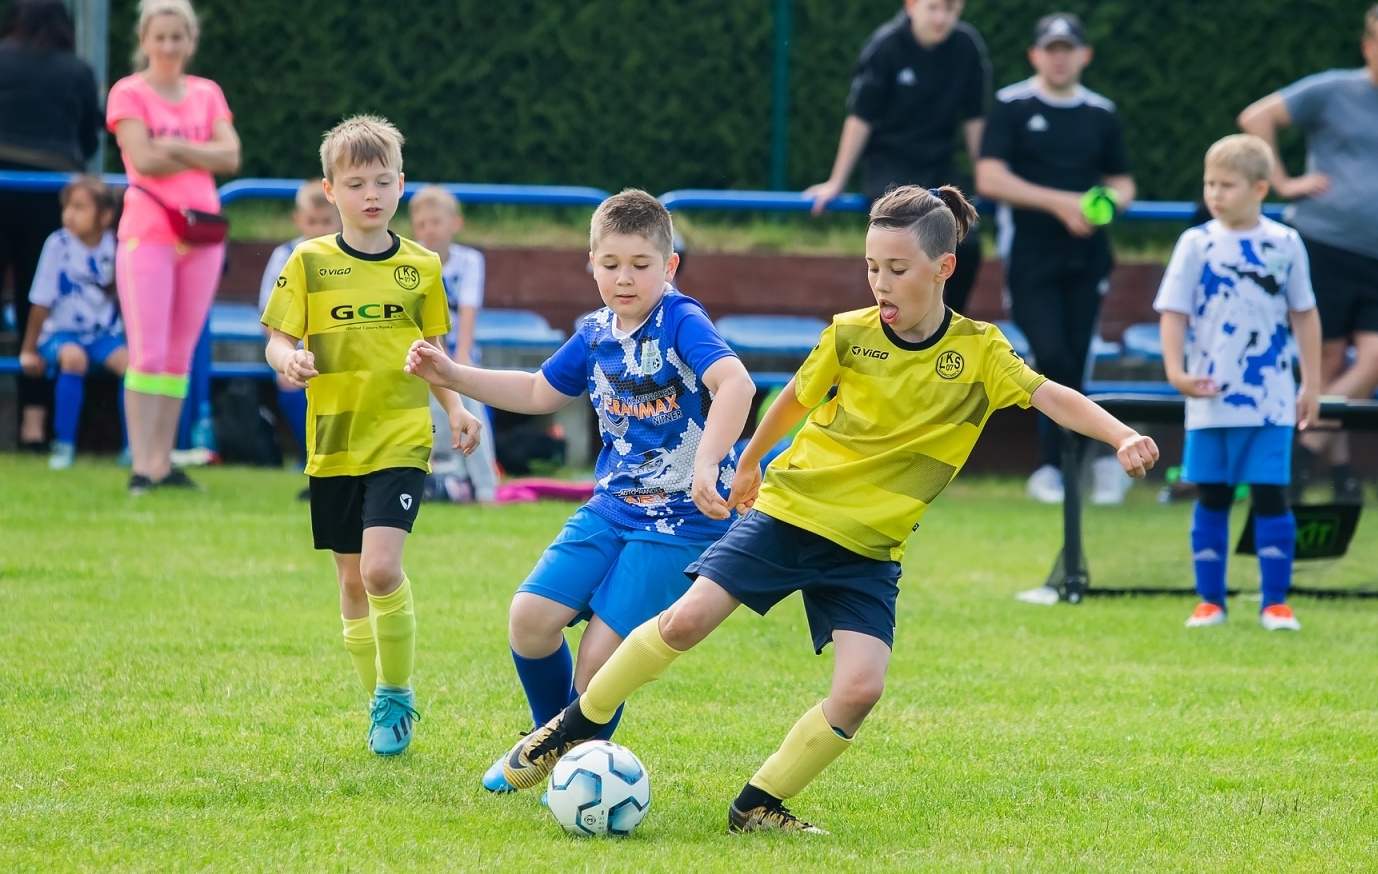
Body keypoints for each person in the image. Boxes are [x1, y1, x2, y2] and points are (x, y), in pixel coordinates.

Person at [479, 185, 1159, 832]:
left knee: (861, 689)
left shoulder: (980, 353)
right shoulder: (850, 334)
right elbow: (794, 401)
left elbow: (1051, 396)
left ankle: (757, 805)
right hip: (791, 512)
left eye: (896, 269)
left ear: (944, 267)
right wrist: (747, 465)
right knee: (685, 622)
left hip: (868, 548)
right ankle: (566, 731)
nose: (880, 283)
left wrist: (1122, 434)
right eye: (871, 267)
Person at [404, 189, 755, 788]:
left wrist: (709, 462)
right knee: (529, 619)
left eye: (641, 266)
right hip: (612, 508)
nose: (625, 279)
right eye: (611, 264)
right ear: (590, 262)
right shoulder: (594, 332)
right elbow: (540, 392)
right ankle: (559, 754)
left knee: (597, 662)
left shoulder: (681, 319)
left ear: (668, 268)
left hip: (681, 522)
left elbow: (738, 385)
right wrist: (453, 375)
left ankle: (567, 764)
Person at [262, 114, 481, 757]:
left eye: (382, 181)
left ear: (401, 185)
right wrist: (289, 361)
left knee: (383, 571)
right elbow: (277, 339)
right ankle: (380, 700)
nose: (371, 195)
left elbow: (432, 351)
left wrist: (459, 410)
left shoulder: (422, 265)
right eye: (355, 184)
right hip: (333, 442)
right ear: (330, 192)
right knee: (352, 584)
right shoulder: (308, 262)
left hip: (402, 439)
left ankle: (395, 694)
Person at [1238, 2, 1378, 504]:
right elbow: (1256, 117)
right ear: (1368, 46)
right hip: (1318, 244)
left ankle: (1299, 458)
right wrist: (1282, 182)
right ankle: (1341, 477)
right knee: (1323, 363)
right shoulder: (1333, 89)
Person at [1156, 135, 1323, 633]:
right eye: (1210, 183)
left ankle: (1276, 603)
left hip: (1270, 401)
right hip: (1208, 399)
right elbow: (1173, 313)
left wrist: (1310, 384)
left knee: (1272, 497)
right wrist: (1176, 373)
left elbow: (1305, 314)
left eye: (1227, 185)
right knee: (1213, 497)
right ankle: (1210, 602)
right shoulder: (1196, 242)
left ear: (1260, 189)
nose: (1215, 193)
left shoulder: (1286, 243)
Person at [976, 12, 1137, 507]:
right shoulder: (1011, 105)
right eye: (1051, 48)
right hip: (1030, 259)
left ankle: (1097, 462)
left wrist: (1100, 208)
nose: (1060, 57)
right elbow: (989, 178)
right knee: (1051, 358)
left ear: (1084, 55)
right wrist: (1060, 203)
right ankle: (1056, 466)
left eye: (1068, 48)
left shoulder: (1100, 113)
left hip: (1087, 260)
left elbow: (1122, 184)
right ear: (1035, 55)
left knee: (1077, 358)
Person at [107, 0, 239, 495]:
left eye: (176, 37)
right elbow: (142, 158)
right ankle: (142, 462)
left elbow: (231, 154)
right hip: (149, 232)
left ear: (190, 41)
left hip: (200, 232)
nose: (168, 47)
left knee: (179, 353)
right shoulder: (128, 92)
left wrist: (177, 149)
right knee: (149, 350)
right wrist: (198, 153)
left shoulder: (206, 93)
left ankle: (163, 461)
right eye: (159, 37)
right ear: (144, 40)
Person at [0, 0, 103, 448]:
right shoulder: (75, 69)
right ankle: (34, 425)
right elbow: (87, 136)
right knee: (41, 303)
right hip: (49, 189)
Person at [804, 0, 990, 314]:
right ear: (912, 6)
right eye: (933, 8)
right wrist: (836, 182)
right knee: (902, 245)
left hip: (939, 166)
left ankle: (945, 324)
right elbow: (861, 117)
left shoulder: (967, 47)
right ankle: (894, 322)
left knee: (967, 244)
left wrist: (984, 174)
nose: (941, 18)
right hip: (889, 168)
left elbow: (974, 118)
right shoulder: (886, 46)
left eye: (950, 9)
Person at [18, 175, 126, 470]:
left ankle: (133, 449)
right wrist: (29, 349)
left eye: (79, 207)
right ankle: (64, 445)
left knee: (133, 365)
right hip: (61, 335)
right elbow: (40, 302)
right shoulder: (56, 244)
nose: (69, 214)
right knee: (74, 358)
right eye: (67, 206)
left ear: (105, 216)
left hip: (104, 336)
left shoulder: (118, 245)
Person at [407, 184, 500, 502]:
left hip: (458, 354)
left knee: (469, 406)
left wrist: (458, 363)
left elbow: (468, 311)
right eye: (421, 224)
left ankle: (486, 488)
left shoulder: (470, 261)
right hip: (422, 353)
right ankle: (436, 476)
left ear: (455, 224)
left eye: (435, 222)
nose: (428, 230)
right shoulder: (411, 261)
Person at [258, 177, 338, 495]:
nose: (318, 229)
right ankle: (313, 456)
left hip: (339, 345)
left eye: (326, 221)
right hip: (299, 346)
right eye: (311, 221)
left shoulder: (349, 254)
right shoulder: (284, 256)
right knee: (289, 377)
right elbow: (269, 316)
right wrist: (292, 350)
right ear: (298, 221)